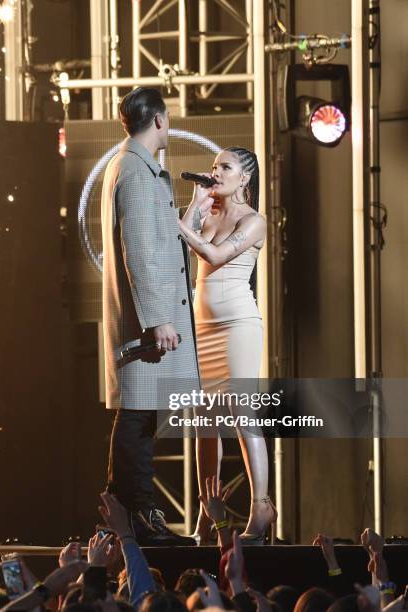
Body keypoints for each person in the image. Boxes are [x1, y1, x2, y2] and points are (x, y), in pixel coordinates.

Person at [101, 87, 211, 546]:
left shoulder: (137, 168)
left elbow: (159, 239)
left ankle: (121, 511)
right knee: (137, 417)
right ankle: (138, 514)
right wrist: (157, 318)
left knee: (141, 416)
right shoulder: (135, 171)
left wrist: (196, 212)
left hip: (146, 318)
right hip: (145, 323)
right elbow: (141, 253)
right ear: (160, 121)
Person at [178, 147, 276, 545]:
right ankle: (207, 514)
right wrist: (191, 207)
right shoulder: (209, 212)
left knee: (242, 414)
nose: (215, 172)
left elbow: (215, 254)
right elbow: (181, 250)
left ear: (245, 178)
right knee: (205, 424)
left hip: (237, 324)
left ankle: (262, 506)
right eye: (214, 165)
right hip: (202, 326)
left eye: (225, 167)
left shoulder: (254, 221)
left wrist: (178, 224)